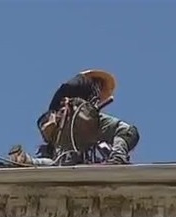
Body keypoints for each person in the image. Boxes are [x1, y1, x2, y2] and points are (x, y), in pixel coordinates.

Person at [8, 69, 140, 166]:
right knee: (128, 131)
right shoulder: (88, 84)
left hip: (58, 127)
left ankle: (27, 160)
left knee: (62, 161)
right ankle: (118, 157)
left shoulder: (61, 100)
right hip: (80, 119)